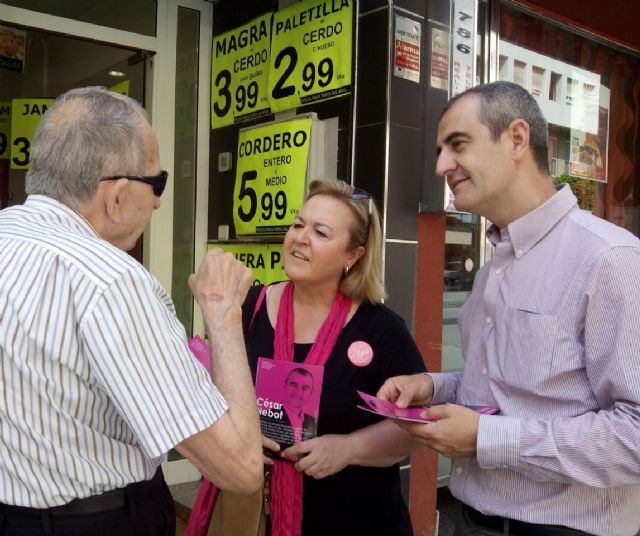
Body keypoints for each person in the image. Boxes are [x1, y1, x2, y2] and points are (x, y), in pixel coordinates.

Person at [377, 81, 640, 536]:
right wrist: (432, 387)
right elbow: (507, 391)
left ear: (517, 139)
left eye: (457, 145)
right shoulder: (494, 265)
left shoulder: (609, 257)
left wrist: (485, 438)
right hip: (471, 520)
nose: (441, 165)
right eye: (441, 150)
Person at [0, 87, 262, 536]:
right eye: (156, 183)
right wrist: (222, 313)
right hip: (95, 522)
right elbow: (239, 466)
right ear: (117, 195)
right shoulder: (110, 280)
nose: (159, 202)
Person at [241, 178, 427, 536]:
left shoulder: (380, 329)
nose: (300, 238)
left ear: (352, 256)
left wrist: (349, 448)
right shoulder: (251, 306)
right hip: (261, 515)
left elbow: (416, 428)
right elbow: (218, 390)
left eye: (321, 233)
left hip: (356, 520)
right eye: (298, 224)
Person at [279, 367, 318, 445]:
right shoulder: (267, 415)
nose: (299, 393)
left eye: (305, 388)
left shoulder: (313, 421)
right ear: (285, 385)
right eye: (294, 385)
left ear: (311, 392)